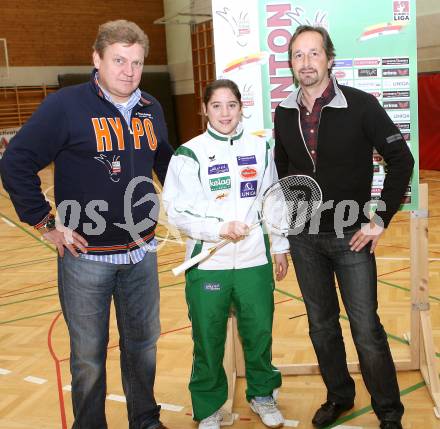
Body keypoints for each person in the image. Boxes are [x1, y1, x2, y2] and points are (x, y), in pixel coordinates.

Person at [0, 20, 173, 429]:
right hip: (86, 258)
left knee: (143, 347)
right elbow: (15, 163)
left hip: (142, 253)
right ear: (96, 59)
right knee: (88, 356)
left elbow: (166, 163)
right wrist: (47, 224)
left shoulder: (151, 107)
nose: (128, 71)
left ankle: (145, 420)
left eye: (136, 62)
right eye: (118, 60)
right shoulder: (66, 106)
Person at [274, 26, 414, 429]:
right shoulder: (284, 112)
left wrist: (379, 219)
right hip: (304, 239)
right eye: (298, 55)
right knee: (321, 327)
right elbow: (284, 171)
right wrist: (287, 229)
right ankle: (339, 397)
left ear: (330, 59)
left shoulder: (362, 104)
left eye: (314, 53)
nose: (306, 62)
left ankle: (389, 413)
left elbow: (401, 161)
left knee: (367, 329)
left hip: (351, 237)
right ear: (292, 64)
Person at [162, 79, 289, 429]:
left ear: (241, 107)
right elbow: (176, 211)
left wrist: (279, 246)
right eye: (216, 105)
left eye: (231, 104)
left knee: (260, 332)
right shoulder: (189, 154)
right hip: (208, 263)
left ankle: (263, 394)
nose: (224, 113)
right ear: (204, 109)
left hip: (254, 261)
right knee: (208, 338)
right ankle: (208, 407)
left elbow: (273, 200)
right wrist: (218, 229)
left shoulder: (261, 149)